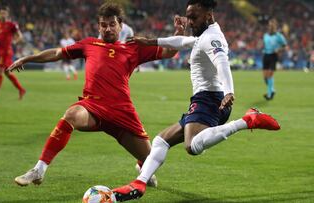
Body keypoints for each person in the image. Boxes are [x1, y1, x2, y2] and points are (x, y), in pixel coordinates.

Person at [112, 0, 281, 201]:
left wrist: (229, 91)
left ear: (208, 15)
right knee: (161, 140)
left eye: (194, 17)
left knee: (191, 146)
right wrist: (151, 41)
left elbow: (222, 62)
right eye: (188, 16)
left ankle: (247, 120)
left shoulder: (212, 38)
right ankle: (139, 183)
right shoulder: (205, 34)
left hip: (210, 100)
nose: (190, 21)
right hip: (204, 100)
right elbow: (183, 43)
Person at [9, 2, 182, 187]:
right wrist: (27, 58)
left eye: (112, 24)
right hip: (93, 108)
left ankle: (142, 165)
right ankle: (39, 170)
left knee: (153, 160)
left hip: (122, 112)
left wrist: (179, 33)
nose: (107, 29)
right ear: (98, 26)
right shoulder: (89, 44)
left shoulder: (134, 47)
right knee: (72, 115)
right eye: (103, 25)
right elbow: (57, 53)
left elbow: (170, 52)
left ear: (120, 25)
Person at [0, 6, 26, 100]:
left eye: (4, 13)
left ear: (7, 14)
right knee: (7, 73)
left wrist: (15, 42)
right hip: (0, 51)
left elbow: (20, 36)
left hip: (7, 52)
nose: (3, 14)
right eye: (1, 13)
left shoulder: (11, 24)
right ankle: (21, 89)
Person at [262, 19, 287, 100]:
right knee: (265, 77)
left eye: (272, 25)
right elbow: (265, 45)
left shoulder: (279, 36)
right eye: (269, 25)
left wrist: (279, 50)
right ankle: (272, 89)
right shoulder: (265, 35)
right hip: (266, 55)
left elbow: (285, 46)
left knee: (270, 74)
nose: (271, 27)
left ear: (275, 26)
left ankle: (269, 94)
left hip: (273, 56)